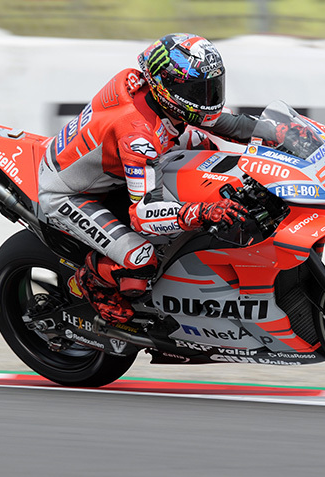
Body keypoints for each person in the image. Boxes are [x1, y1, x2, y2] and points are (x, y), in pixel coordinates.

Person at [37, 33, 259, 326]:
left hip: (111, 170)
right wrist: (203, 212)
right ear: (169, 87)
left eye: (212, 88)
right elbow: (143, 215)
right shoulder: (138, 135)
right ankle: (91, 281)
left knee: (207, 147)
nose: (208, 99)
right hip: (68, 192)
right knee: (140, 258)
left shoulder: (157, 94)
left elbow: (228, 124)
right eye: (198, 91)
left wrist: (284, 135)